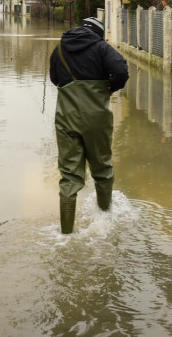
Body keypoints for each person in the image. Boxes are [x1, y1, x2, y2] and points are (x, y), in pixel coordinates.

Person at [48, 16, 129, 234]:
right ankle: (105, 220)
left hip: (66, 118)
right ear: (98, 33)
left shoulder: (60, 49)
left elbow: (54, 79)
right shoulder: (102, 48)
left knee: (69, 176)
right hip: (96, 119)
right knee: (102, 168)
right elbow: (121, 71)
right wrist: (110, 88)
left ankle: (65, 234)